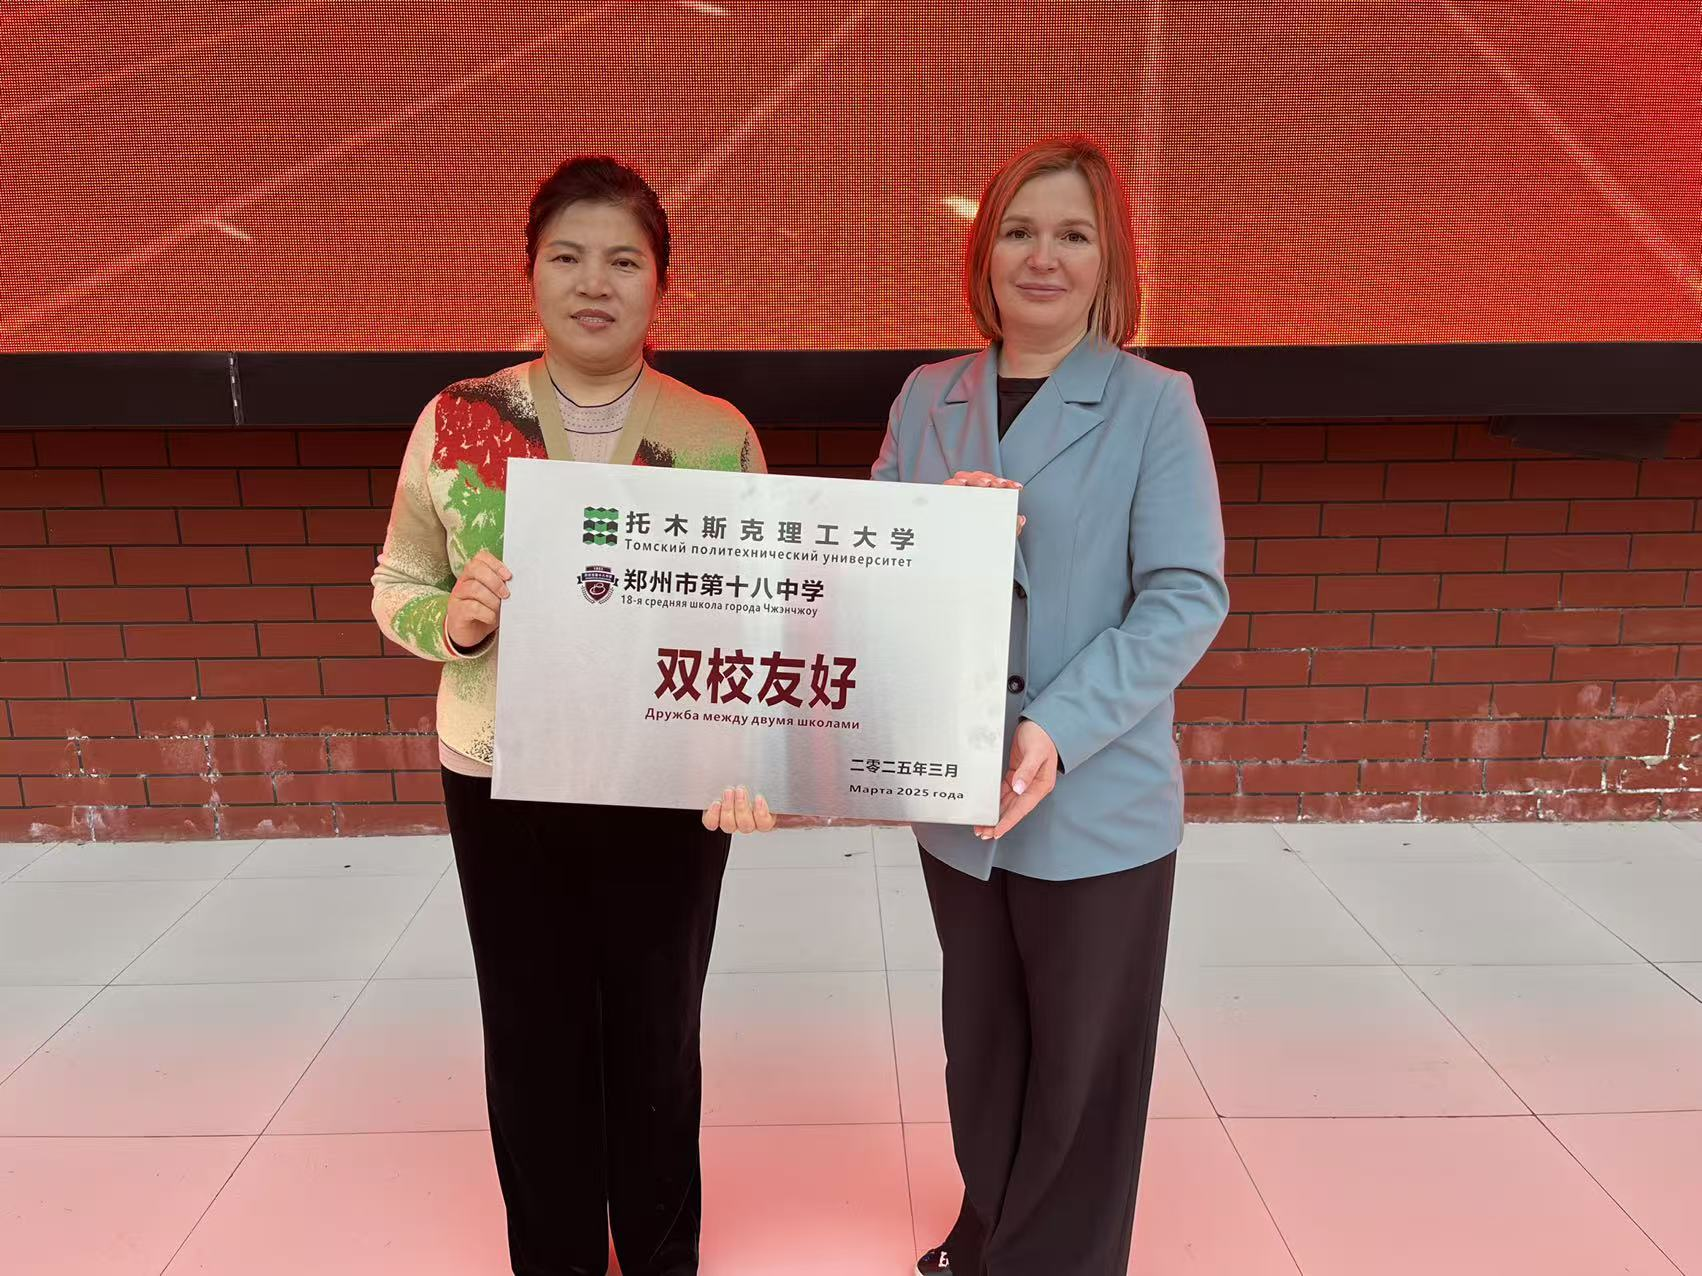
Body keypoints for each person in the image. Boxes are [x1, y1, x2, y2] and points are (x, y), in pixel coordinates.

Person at [371, 154, 774, 1276]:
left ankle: (658, 1252)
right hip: (499, 772)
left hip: (664, 780)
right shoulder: (460, 419)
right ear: (532, 273)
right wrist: (450, 623)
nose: (594, 283)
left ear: (661, 284)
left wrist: (755, 760)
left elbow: (761, 623)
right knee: (532, 1030)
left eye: (623, 261)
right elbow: (396, 582)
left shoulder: (716, 434)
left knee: (656, 1029)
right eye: (568, 257)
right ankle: (551, 1253)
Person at [873, 137, 1230, 1275]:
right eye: (1019, 232)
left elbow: (1184, 596)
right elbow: (872, 572)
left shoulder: (1154, 404)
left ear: (1106, 258)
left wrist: (1058, 729)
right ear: (984, 252)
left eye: (1072, 235)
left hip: (1093, 793)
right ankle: (990, 1232)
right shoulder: (928, 397)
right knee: (982, 1048)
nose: (1043, 257)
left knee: (1081, 1066)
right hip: (958, 793)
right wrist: (938, 530)